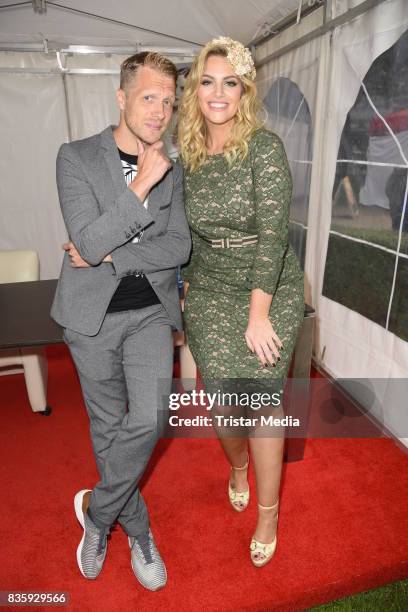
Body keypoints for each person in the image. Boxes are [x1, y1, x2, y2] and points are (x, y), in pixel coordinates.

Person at [51, 51, 191, 589]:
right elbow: (83, 240)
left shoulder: (171, 168)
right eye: (149, 97)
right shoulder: (75, 157)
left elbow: (178, 246)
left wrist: (114, 254)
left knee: (153, 415)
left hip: (150, 311)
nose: (160, 111)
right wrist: (139, 187)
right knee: (108, 430)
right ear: (122, 97)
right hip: (90, 316)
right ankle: (138, 532)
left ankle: (98, 514)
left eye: (169, 102)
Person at [178, 37, 304, 567]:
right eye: (208, 81)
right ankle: (236, 467)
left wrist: (258, 315)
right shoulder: (185, 152)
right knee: (223, 403)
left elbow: (274, 236)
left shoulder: (264, 147)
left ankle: (270, 513)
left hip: (267, 284)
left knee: (262, 404)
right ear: (196, 91)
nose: (218, 92)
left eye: (230, 81)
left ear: (244, 89)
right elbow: (177, 230)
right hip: (208, 285)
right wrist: (184, 286)